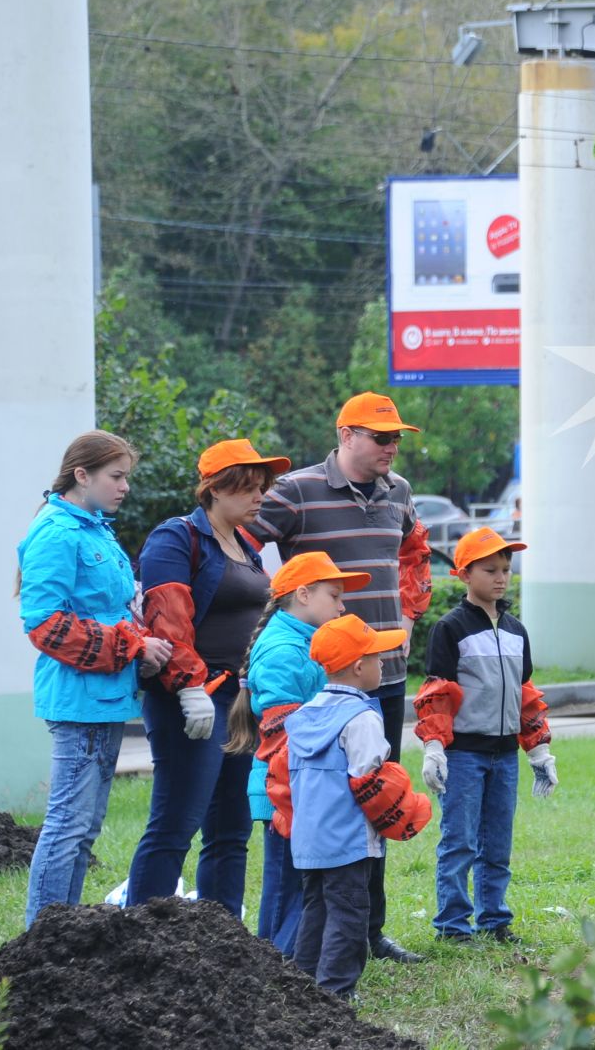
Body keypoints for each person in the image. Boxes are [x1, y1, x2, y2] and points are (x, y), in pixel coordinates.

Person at [249, 391, 432, 965]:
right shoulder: (298, 490)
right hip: (325, 676)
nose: (392, 446)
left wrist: (408, 612)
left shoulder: (398, 491)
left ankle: (368, 931)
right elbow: (243, 547)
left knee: (377, 794)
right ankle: (314, 937)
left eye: (397, 437)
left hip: (385, 670)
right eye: (381, 437)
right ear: (346, 434)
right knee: (326, 802)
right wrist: (265, 617)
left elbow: (415, 552)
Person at [16, 431, 174, 926]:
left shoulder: (94, 528)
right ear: (81, 475)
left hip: (104, 696)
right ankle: (42, 938)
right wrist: (132, 646)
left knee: (82, 828)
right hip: (78, 700)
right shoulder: (58, 533)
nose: (125, 487)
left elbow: (111, 608)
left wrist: (143, 642)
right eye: (116, 476)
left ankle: (58, 933)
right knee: (67, 825)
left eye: (126, 476)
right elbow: (44, 624)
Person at [127, 438, 289, 912]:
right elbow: (167, 619)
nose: (260, 496)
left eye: (263, 487)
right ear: (215, 488)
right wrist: (189, 686)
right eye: (249, 486)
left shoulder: (245, 547)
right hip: (192, 697)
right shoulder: (177, 538)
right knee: (177, 821)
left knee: (231, 829)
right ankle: (145, 937)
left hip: (238, 702)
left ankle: (221, 939)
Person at [224, 551, 371, 955]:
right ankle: (276, 965)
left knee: (299, 882)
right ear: (303, 594)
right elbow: (282, 735)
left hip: (303, 789)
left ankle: (292, 964)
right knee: (286, 885)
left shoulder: (305, 642)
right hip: (287, 791)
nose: (342, 606)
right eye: (334, 595)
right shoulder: (283, 651)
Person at [413, 528, 554, 945]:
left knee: (498, 843)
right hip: (464, 756)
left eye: (506, 569)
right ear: (463, 574)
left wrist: (539, 749)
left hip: (505, 755)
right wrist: (435, 747)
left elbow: (526, 694)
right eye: (490, 569)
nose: (500, 577)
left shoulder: (516, 631)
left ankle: (495, 921)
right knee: (459, 841)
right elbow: (436, 694)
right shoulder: (450, 629)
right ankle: (453, 926)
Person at [286, 614, 432, 999]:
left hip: (309, 841)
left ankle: (304, 986)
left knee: (316, 911)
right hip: (348, 840)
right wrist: (407, 807)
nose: (384, 662)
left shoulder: (302, 716)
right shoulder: (363, 717)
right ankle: (336, 992)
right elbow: (371, 779)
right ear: (358, 666)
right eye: (377, 656)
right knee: (349, 915)